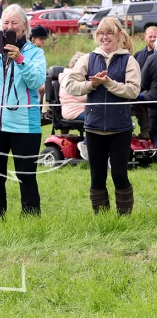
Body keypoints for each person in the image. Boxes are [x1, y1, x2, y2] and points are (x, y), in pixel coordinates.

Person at [0, 4, 47, 219]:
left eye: (14, 22)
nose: (9, 26)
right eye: (5, 22)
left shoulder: (35, 52)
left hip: (25, 124)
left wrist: (20, 60)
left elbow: (37, 82)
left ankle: (31, 220)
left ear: (24, 26)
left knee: (27, 176)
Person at [64, 17, 140, 215]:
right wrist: (91, 84)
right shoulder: (87, 59)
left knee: (119, 175)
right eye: (101, 33)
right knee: (96, 176)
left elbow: (133, 91)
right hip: (94, 127)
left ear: (119, 36)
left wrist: (108, 83)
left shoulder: (129, 61)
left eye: (109, 33)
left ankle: (125, 217)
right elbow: (70, 85)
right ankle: (102, 218)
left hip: (120, 128)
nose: (105, 37)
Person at [59, 52, 87, 121]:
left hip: (83, 109)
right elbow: (81, 97)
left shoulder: (79, 77)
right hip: (74, 111)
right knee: (100, 118)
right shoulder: (70, 78)